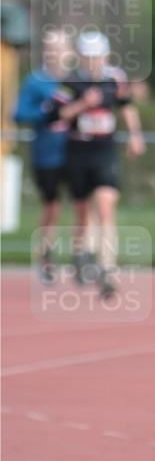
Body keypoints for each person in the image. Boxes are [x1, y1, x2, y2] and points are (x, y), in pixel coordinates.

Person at [45, 30, 145, 299]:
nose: (93, 62)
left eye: (98, 56)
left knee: (105, 207)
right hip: (78, 152)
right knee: (83, 213)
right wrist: (82, 104)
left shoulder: (114, 78)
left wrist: (135, 135)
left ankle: (108, 271)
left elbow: (126, 106)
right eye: (88, 57)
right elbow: (56, 116)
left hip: (104, 151)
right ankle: (80, 254)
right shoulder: (70, 82)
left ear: (105, 55)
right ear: (81, 57)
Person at [13, 29, 73, 283]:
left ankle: (84, 257)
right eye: (49, 47)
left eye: (58, 47)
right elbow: (18, 114)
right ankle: (46, 258)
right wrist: (47, 112)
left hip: (77, 152)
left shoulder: (77, 80)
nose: (53, 52)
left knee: (86, 204)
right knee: (52, 207)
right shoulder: (35, 81)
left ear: (68, 51)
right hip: (47, 153)